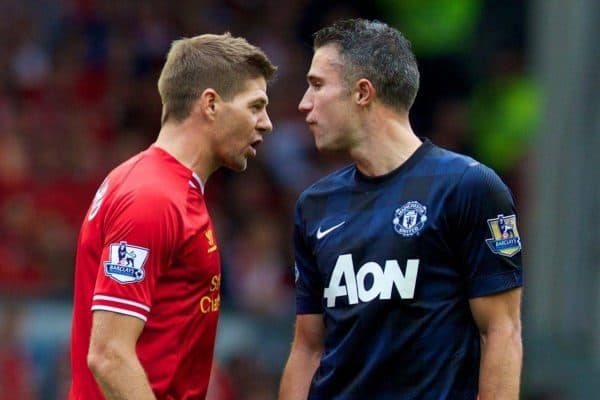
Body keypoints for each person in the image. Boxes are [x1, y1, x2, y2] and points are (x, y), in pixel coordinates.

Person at [279, 18, 523, 400]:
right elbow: (308, 346)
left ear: (362, 93)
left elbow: (501, 331)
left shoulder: (468, 187)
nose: (304, 104)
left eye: (317, 85)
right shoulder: (315, 205)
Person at [69, 33, 276, 400]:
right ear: (210, 104)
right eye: (255, 106)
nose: (265, 123)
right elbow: (109, 356)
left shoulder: (170, 190)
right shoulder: (152, 198)